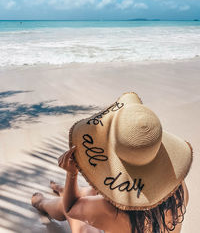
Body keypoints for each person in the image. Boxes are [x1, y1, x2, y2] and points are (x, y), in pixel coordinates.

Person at [32, 92, 193, 233]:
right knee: (91, 194)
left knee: (74, 211)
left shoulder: (108, 211)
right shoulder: (179, 189)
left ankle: (42, 203)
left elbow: (71, 208)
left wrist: (72, 174)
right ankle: (68, 191)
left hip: (107, 216)